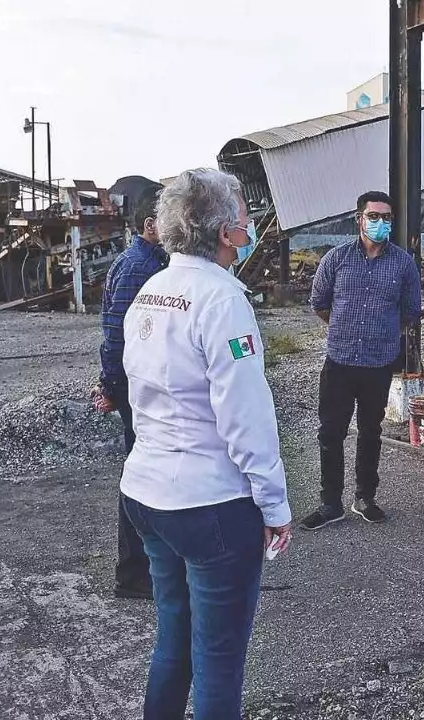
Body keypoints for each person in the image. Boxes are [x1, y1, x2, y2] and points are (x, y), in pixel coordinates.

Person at [120, 168, 292, 720]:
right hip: (209, 501)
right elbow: (245, 418)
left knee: (175, 638)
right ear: (224, 232)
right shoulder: (222, 300)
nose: (247, 233)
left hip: (147, 491)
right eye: (243, 222)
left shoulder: (152, 291)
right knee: (219, 661)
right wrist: (274, 503)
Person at [301, 190, 422, 530]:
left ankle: (365, 497)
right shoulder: (336, 259)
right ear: (359, 219)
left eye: (386, 218)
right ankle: (330, 503)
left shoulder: (403, 264)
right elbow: (319, 303)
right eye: (374, 216)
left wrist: (381, 333)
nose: (380, 223)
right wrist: (345, 328)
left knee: (371, 431)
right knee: (331, 432)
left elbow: (410, 312)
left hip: (378, 364)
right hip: (339, 361)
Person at [93, 183, 167, 600]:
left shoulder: (152, 261)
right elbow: (117, 334)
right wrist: (112, 385)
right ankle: (133, 573)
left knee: (145, 474)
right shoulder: (140, 266)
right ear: (150, 225)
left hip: (137, 386)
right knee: (141, 478)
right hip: (136, 388)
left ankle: (142, 568)